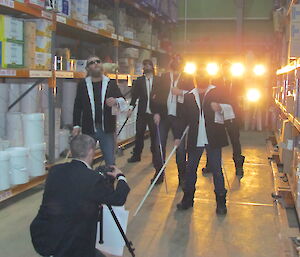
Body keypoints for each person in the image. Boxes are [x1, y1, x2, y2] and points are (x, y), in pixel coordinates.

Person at [30, 134, 130, 257]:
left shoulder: (55, 170)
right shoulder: (94, 179)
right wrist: (120, 177)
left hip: (44, 237)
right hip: (72, 246)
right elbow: (119, 199)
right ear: (91, 152)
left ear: (72, 151)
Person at [176, 74, 229, 215]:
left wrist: (221, 108)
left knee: (217, 170)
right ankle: (188, 199)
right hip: (195, 138)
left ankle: (221, 202)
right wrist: (177, 136)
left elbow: (233, 108)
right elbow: (182, 118)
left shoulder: (218, 92)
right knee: (190, 169)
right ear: (195, 80)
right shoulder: (189, 96)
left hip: (213, 138)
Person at [73, 56, 127, 165]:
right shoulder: (83, 85)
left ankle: (110, 181)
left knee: (110, 161)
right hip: (88, 129)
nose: (96, 64)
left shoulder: (110, 83)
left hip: (106, 129)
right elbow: (77, 106)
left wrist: (115, 101)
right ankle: (89, 181)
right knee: (86, 162)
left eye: (98, 61)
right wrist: (76, 126)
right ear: (88, 68)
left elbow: (122, 101)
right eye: (92, 62)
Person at [151, 55, 194, 187]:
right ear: (170, 62)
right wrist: (156, 112)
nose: (176, 62)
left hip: (180, 118)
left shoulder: (187, 77)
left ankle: (182, 176)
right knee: (159, 146)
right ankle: (159, 173)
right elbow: (154, 95)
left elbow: (193, 96)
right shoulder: (163, 77)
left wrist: (180, 92)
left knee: (180, 149)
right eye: (174, 60)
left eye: (179, 60)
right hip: (164, 116)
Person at [202, 62, 245, 176]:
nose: (225, 70)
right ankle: (210, 164)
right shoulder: (216, 81)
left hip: (233, 116)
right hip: (218, 114)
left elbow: (240, 99)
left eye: (227, 68)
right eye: (223, 68)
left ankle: (238, 166)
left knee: (235, 141)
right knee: (213, 139)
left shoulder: (238, 82)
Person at [127, 59, 157, 163]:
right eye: (145, 65)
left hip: (154, 112)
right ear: (143, 68)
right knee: (139, 133)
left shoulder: (158, 80)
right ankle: (136, 155)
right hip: (142, 112)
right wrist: (131, 108)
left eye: (149, 65)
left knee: (154, 135)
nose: (147, 67)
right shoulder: (139, 81)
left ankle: (155, 156)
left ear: (152, 67)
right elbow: (134, 96)